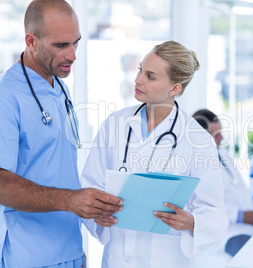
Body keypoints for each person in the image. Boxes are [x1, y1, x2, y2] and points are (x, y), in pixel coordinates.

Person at [81, 41, 228, 267]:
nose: (138, 79)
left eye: (150, 76)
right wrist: (97, 214)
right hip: (117, 259)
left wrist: (190, 221)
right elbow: (90, 185)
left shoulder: (198, 140)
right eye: (141, 70)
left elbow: (215, 214)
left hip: (166, 260)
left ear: (174, 88)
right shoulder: (115, 124)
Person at [0, 1, 123, 267]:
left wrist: (75, 250)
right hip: (30, 256)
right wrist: (71, 201)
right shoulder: (6, 96)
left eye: (75, 43)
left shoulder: (57, 85)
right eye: (60, 46)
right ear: (31, 41)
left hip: (69, 251)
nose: (72, 55)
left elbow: (57, 168)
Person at [192, 109, 253, 257]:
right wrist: (240, 216)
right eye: (216, 135)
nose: (222, 138)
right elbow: (202, 207)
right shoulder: (195, 165)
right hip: (228, 234)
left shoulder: (223, 154)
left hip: (249, 226)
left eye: (220, 132)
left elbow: (240, 192)